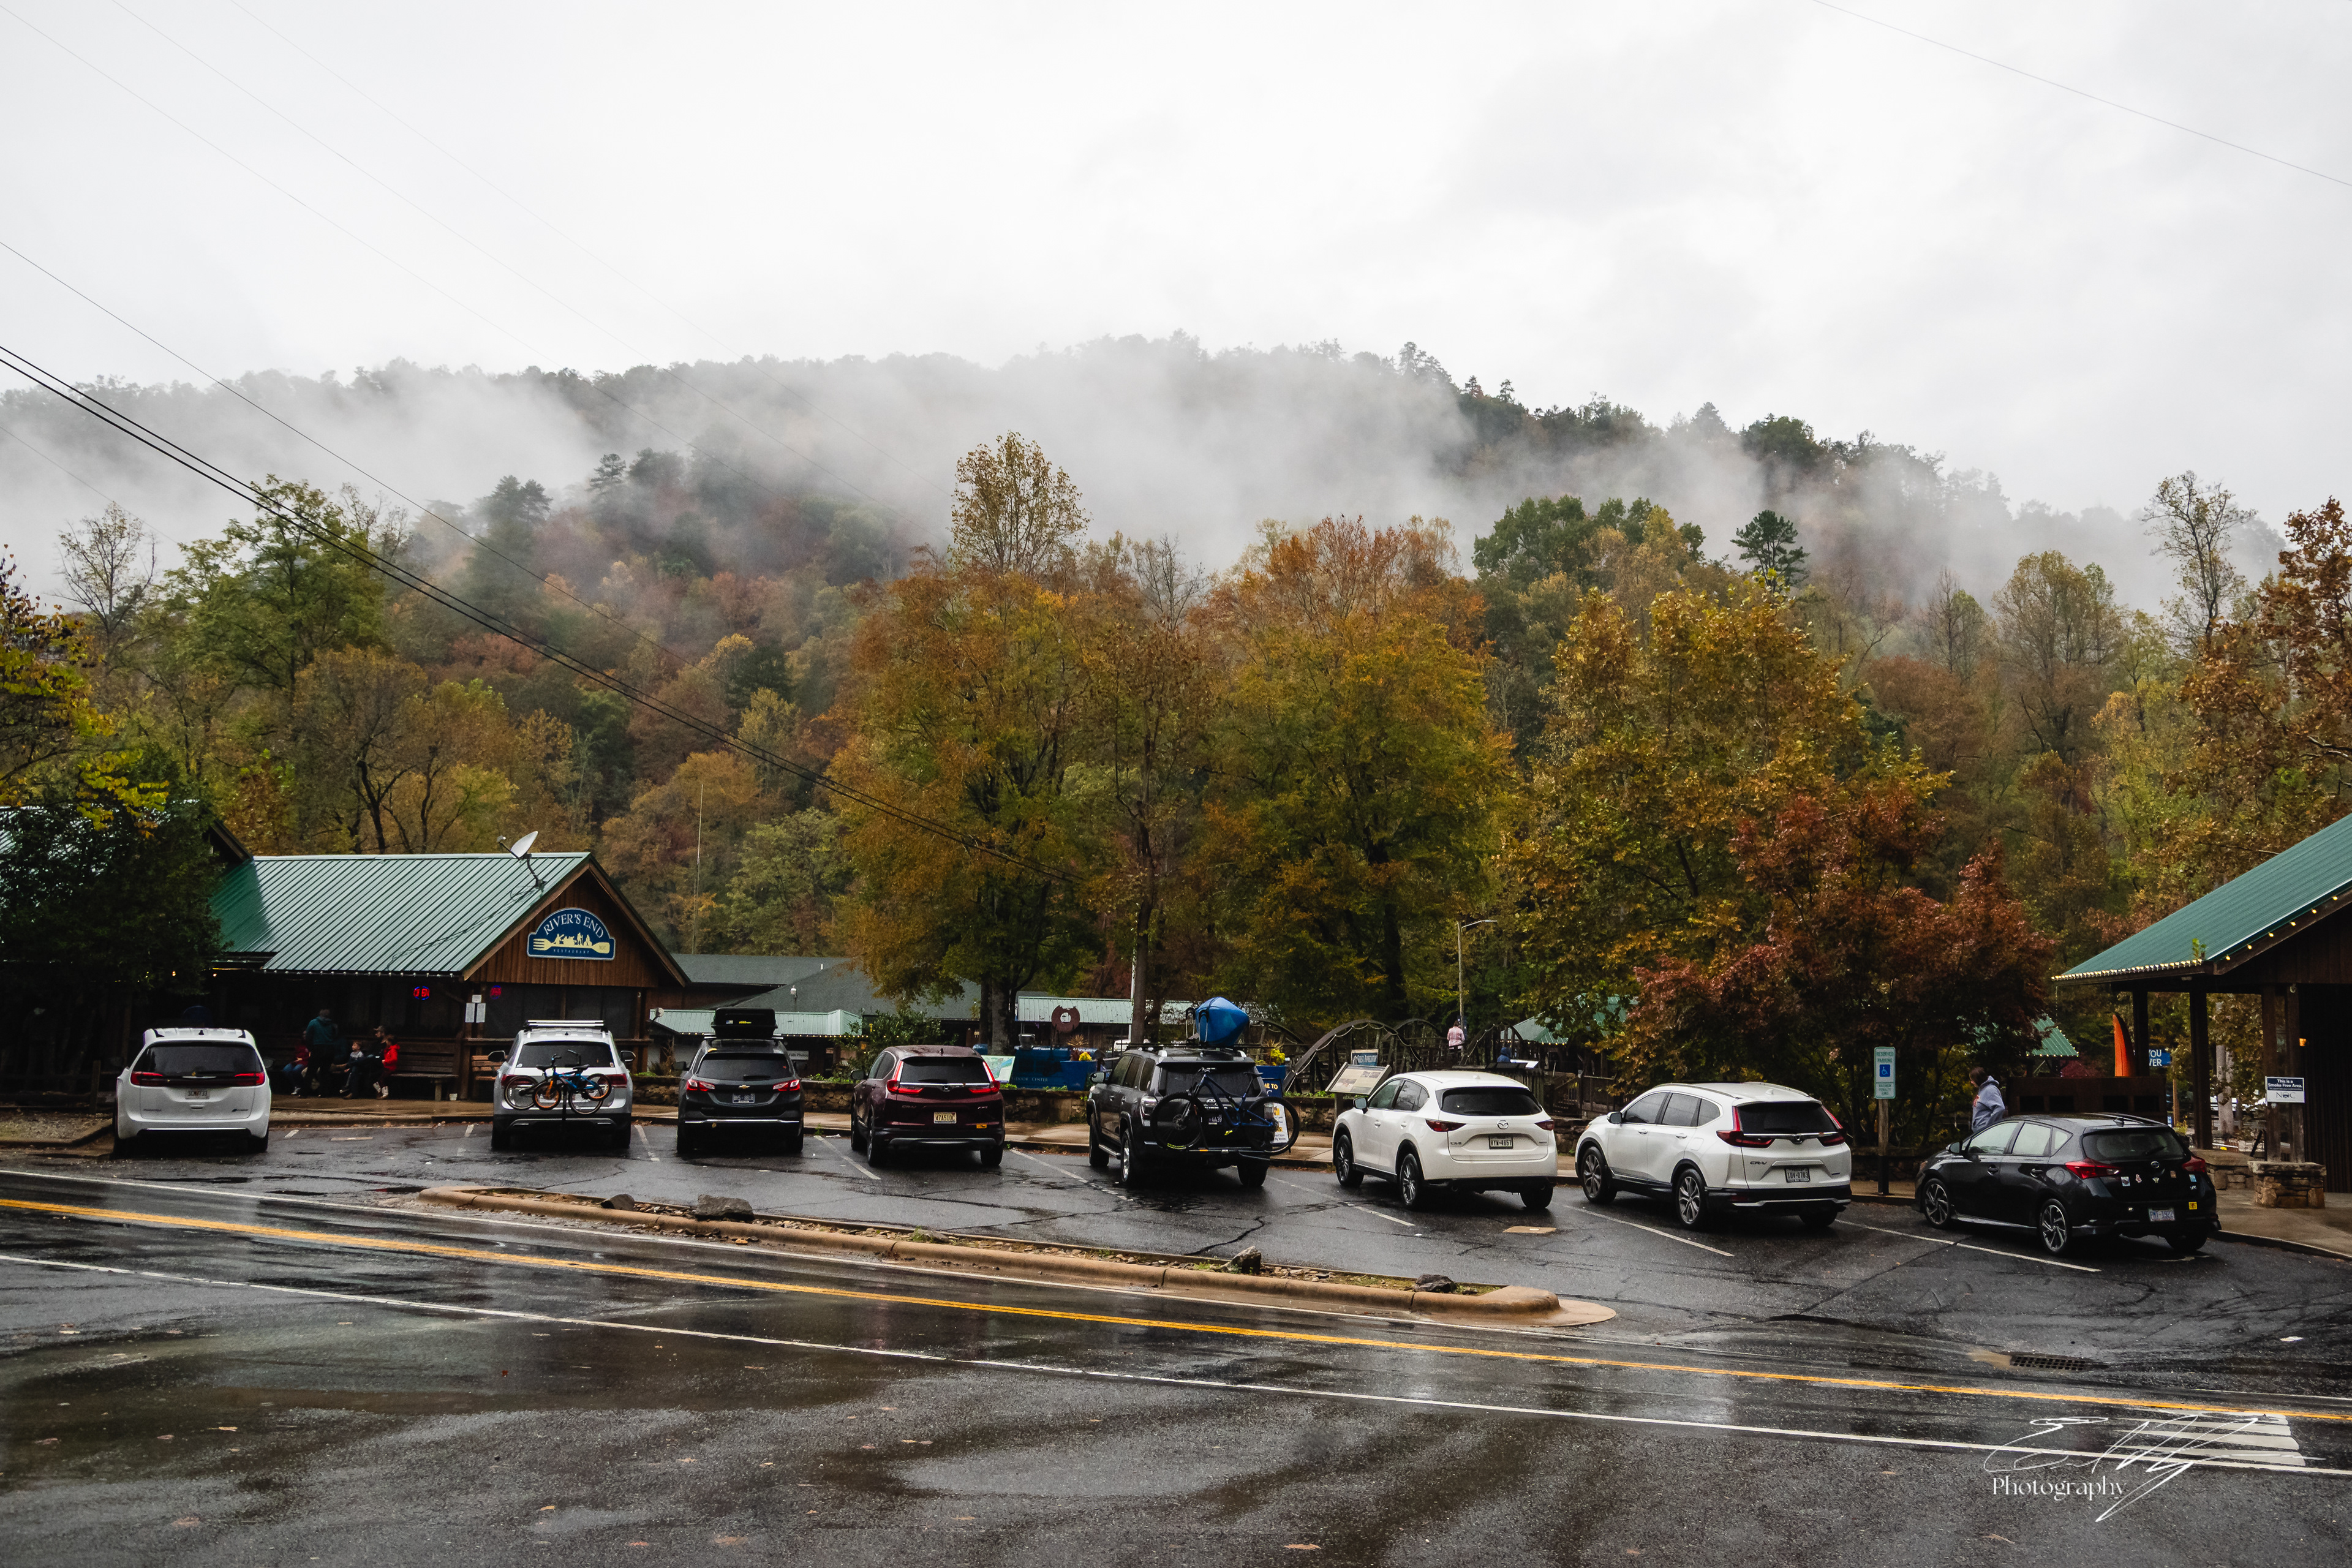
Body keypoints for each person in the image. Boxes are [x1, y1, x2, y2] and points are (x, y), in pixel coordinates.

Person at [301, 1008, 340, 1096]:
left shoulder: (313, 1023)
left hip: (317, 1048)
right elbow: (335, 1036)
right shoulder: (333, 1025)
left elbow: (308, 1037)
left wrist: (311, 1048)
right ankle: (324, 1093)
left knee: (310, 1071)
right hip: (330, 1049)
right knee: (325, 1072)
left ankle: (305, 1093)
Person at [1968, 1066, 2007, 1133]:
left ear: (1978, 1079)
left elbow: (2000, 1108)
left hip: (1986, 1132)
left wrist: (1988, 1125)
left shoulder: (1990, 1090)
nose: (1971, 1082)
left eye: (1972, 1080)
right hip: (1981, 1132)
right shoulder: (1982, 1090)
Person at [372, 1025, 400, 1099]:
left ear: (390, 1043)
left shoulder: (393, 1050)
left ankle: (384, 1092)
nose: (386, 1043)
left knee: (381, 1078)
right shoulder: (389, 1050)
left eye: (387, 1042)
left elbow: (394, 1059)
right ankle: (379, 1091)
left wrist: (386, 1061)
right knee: (376, 1076)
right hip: (386, 1067)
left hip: (389, 1068)